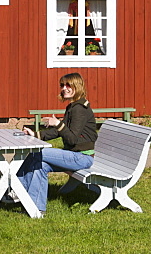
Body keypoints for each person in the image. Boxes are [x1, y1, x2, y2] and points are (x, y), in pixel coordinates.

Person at [17, 72, 97, 216]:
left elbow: (72, 138)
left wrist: (58, 124)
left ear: (77, 86)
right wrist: (35, 134)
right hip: (74, 155)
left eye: (68, 85)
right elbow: (58, 132)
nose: (64, 88)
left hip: (82, 157)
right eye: (62, 85)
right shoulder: (73, 107)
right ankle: (36, 209)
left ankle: (16, 190)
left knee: (36, 153)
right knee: (39, 166)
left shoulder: (79, 109)